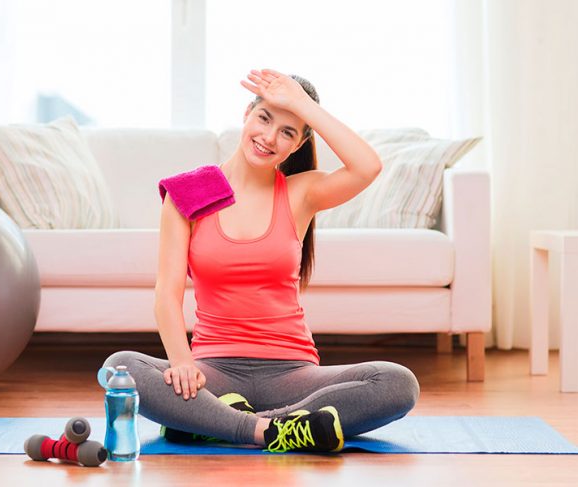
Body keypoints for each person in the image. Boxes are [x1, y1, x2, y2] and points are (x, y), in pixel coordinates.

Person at [103, 69, 420, 453]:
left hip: (292, 372)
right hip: (213, 370)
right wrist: (182, 363)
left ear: (299, 143)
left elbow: (367, 166)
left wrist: (301, 104)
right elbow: (166, 294)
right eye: (264, 118)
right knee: (121, 368)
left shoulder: (302, 193)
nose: (269, 138)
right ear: (246, 114)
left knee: (397, 382)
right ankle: (268, 431)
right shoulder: (189, 193)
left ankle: (218, 422)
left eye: (287, 131)